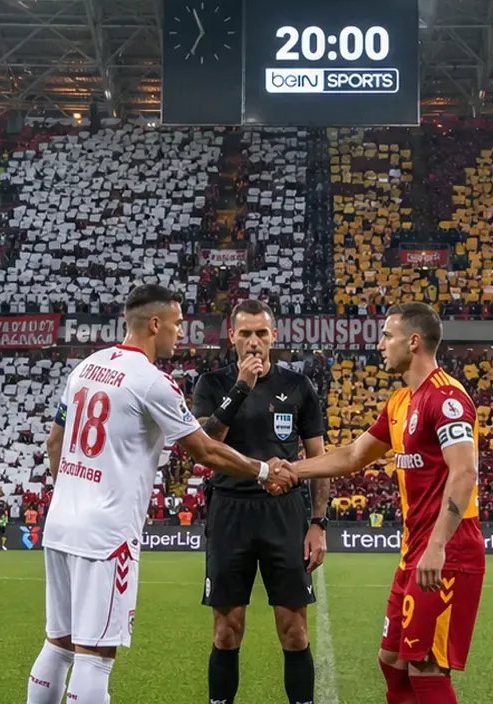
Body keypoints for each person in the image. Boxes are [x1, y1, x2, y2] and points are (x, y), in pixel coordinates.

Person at [25, 284, 295, 704]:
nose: (181, 331)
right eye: (176, 322)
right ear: (155, 324)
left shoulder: (86, 367)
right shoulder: (153, 382)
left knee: (58, 643)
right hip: (106, 534)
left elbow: (54, 443)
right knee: (95, 656)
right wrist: (263, 469)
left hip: (61, 523)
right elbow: (204, 449)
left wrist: (73, 495)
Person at [278, 302, 485, 704]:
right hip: (413, 552)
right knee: (392, 661)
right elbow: (353, 455)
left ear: (414, 341)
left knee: (425, 667)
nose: (380, 345)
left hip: (448, 548)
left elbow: (464, 472)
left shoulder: (447, 398)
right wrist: (293, 469)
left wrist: (437, 546)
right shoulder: (400, 402)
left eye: (387, 336)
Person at [192, 299, 330, 704]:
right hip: (230, 510)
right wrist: (241, 388)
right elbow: (205, 445)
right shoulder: (211, 384)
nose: (254, 341)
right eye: (246, 333)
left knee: (294, 631)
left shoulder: (299, 387)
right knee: (226, 630)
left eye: (261, 333)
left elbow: (319, 459)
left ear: (274, 336)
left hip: (284, 514)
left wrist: (318, 523)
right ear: (231, 336)